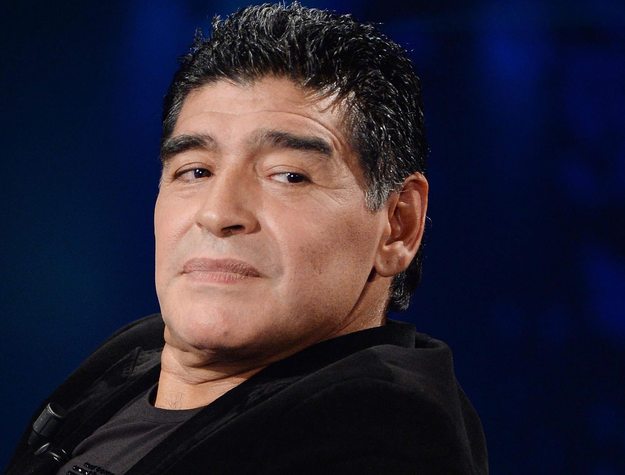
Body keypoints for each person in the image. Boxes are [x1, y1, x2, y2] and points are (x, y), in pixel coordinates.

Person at [7, 3, 487, 474]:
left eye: (289, 175)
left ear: (398, 225)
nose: (218, 214)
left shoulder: (383, 441)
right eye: (195, 171)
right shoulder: (130, 357)